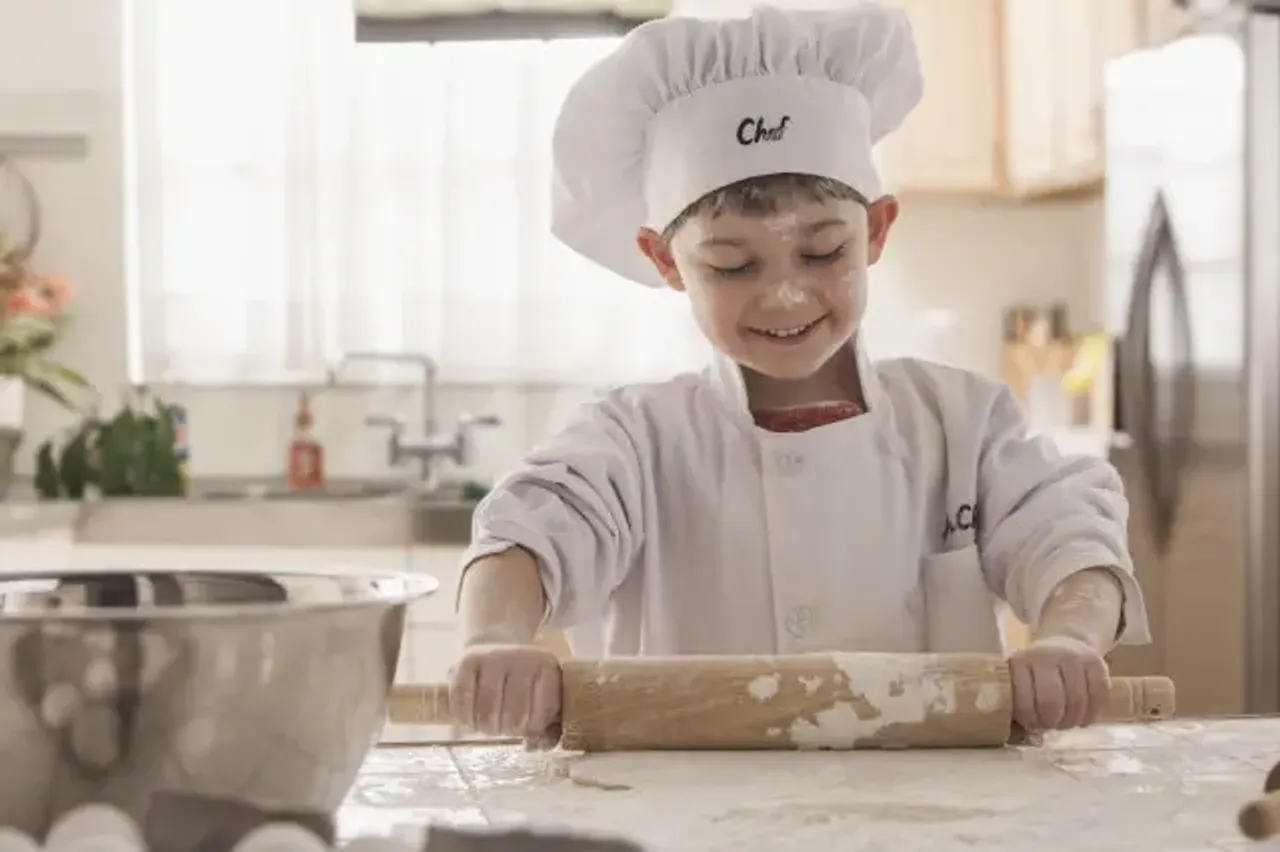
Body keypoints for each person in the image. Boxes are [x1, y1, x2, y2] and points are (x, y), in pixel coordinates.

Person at [448, 3, 1150, 747]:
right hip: (679, 817)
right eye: (731, 264)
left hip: (930, 818)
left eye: (822, 253)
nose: (785, 294)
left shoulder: (962, 423)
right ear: (664, 261)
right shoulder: (635, 440)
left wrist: (1069, 638)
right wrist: (493, 640)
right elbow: (532, 526)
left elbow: (1068, 533)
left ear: (876, 229)